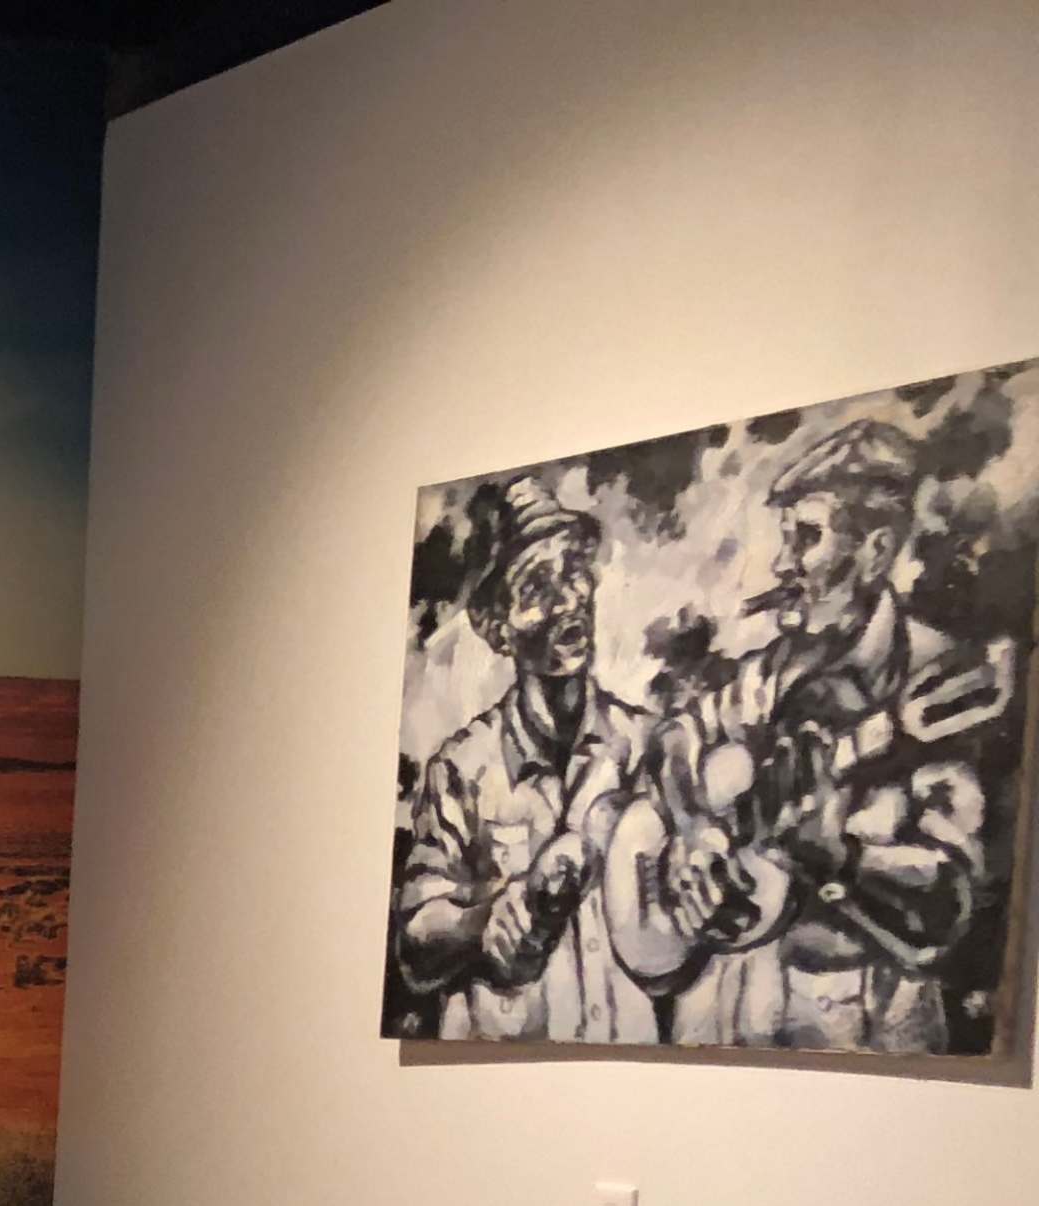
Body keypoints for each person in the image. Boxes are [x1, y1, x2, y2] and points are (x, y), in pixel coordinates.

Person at [644, 417, 1011, 1053]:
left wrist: (843, 861)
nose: (784, 564)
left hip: (864, 1028)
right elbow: (678, 737)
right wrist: (697, 827)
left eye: (806, 539)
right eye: (785, 540)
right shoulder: (766, 672)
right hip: (726, 1011)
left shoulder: (932, 675)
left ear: (874, 552)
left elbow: (947, 902)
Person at [393, 477, 652, 1041]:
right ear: (495, 628)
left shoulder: (644, 746)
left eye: (572, 574)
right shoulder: (463, 767)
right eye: (536, 587)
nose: (566, 602)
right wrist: (480, 922)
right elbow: (414, 938)